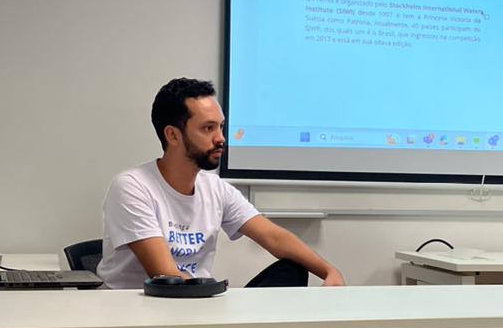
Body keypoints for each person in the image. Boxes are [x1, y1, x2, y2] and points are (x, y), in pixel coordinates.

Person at [98, 78, 345, 290]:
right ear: (172, 135)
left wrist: (329, 271)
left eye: (221, 127)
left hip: (197, 303)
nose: (221, 138)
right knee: (182, 289)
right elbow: (166, 276)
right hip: (142, 313)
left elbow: (274, 237)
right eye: (208, 128)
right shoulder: (132, 187)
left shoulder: (215, 188)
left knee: (294, 268)